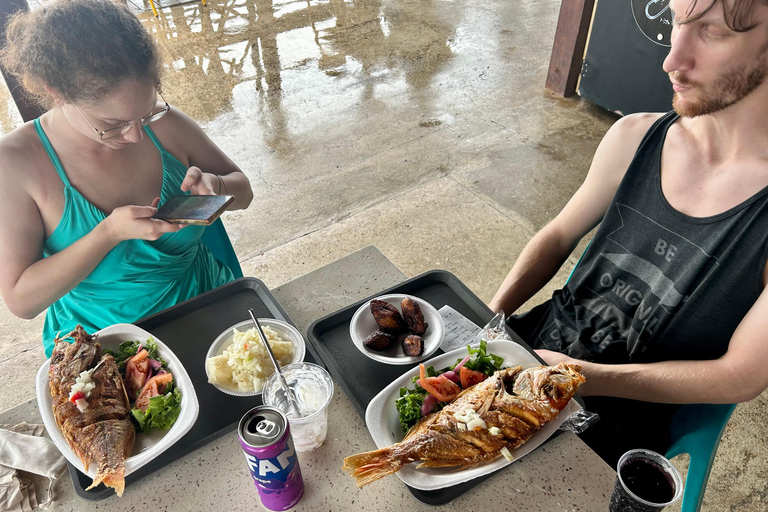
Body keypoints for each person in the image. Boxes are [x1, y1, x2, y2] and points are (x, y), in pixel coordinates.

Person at [490, 0, 768, 466]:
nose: (671, 60)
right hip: (535, 347)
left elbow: (742, 374)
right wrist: (488, 321)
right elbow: (558, 236)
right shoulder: (635, 136)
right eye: (678, 23)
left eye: (713, 32)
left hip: (623, 409)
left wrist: (584, 376)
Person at [0, 0, 254, 357]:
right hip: (104, 346)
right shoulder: (15, 162)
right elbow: (21, 300)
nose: (135, 136)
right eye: (113, 125)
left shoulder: (166, 124)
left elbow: (244, 190)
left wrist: (218, 189)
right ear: (55, 91)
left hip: (210, 308)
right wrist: (108, 234)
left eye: (146, 114)